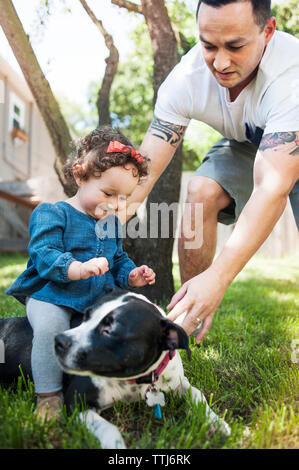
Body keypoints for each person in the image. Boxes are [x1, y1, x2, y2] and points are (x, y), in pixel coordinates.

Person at [126, 0, 299, 343]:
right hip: (250, 142)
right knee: (201, 191)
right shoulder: (185, 80)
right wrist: (86, 231)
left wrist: (219, 277)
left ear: (268, 31)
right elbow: (138, 180)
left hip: (287, 141)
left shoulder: (290, 73)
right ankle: (190, 320)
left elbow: (271, 188)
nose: (220, 62)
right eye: (208, 45)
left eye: (235, 46)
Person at [5, 126, 156, 421]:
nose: (114, 204)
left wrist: (131, 275)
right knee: (51, 330)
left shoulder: (111, 224)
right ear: (79, 175)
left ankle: (104, 382)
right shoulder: (53, 213)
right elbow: (43, 253)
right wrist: (76, 268)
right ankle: (48, 396)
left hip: (92, 301)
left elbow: (118, 260)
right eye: (108, 193)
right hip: (52, 296)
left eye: (122, 198)